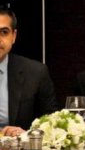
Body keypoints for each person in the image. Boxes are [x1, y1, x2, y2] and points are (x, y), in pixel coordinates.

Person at [0, 8, 58, 136]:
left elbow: (52, 123)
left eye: (4, 32)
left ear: (13, 36)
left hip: (19, 147)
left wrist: (28, 135)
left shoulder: (36, 72)